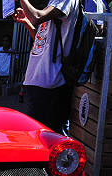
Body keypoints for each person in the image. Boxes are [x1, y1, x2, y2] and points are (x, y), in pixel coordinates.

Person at [13, 0, 78, 134]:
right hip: (38, 82)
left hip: (49, 84)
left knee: (46, 141)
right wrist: (27, 22)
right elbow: (41, 39)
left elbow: (36, 16)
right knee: (37, 138)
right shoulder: (54, 2)